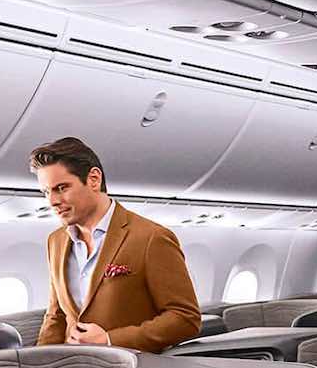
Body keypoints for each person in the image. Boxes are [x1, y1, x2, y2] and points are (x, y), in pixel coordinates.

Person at [31, 136, 201, 351]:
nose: (52, 201)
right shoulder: (56, 241)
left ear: (93, 179)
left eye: (62, 188)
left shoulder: (151, 238)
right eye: (46, 192)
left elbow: (185, 318)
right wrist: (37, 367)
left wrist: (110, 339)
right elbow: (56, 315)